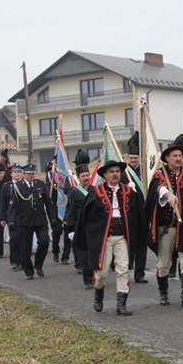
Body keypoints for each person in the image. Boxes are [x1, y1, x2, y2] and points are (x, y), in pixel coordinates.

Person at [73, 159, 146, 315]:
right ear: (105, 175)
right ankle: (98, 295)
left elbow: (139, 215)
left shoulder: (129, 192)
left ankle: (121, 305)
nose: (115, 174)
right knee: (102, 273)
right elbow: (85, 217)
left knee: (122, 270)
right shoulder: (95, 192)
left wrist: (141, 235)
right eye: (111, 172)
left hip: (122, 237)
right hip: (103, 239)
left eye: (117, 171)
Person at [146, 134, 183, 308]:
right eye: (175, 156)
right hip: (167, 228)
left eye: (180, 156)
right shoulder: (159, 176)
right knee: (164, 263)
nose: (179, 159)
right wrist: (166, 194)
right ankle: (163, 294)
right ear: (167, 159)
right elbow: (155, 191)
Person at [7, 163, 59, 280]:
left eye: (33, 174)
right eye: (29, 174)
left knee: (44, 242)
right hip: (24, 222)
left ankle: (38, 264)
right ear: (24, 174)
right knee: (25, 248)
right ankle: (28, 271)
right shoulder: (17, 187)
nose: (31, 176)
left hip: (40, 220)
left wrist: (53, 219)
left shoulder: (40, 185)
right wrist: (11, 221)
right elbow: (13, 206)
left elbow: (48, 203)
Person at [63, 163, 93, 289]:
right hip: (81, 227)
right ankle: (87, 280)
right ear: (79, 178)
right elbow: (70, 211)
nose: (86, 178)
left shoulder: (95, 190)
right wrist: (70, 229)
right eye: (83, 176)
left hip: (94, 226)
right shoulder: (74, 192)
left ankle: (96, 276)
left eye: (87, 175)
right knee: (85, 256)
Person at [125, 132, 149, 284]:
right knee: (128, 245)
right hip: (128, 214)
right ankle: (126, 270)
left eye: (135, 158)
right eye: (131, 158)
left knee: (142, 244)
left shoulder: (146, 172)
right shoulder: (123, 173)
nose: (133, 161)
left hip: (143, 212)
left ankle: (139, 273)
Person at [45, 159, 71, 265]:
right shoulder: (50, 175)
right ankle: (55, 251)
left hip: (67, 206)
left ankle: (65, 256)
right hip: (55, 206)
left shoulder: (68, 175)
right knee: (57, 231)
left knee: (68, 232)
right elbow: (49, 190)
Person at [0, 163, 23, 270]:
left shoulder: (25, 184)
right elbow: (3, 203)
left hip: (24, 216)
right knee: (14, 239)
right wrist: (2, 218)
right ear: (11, 174)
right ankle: (15, 261)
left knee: (24, 240)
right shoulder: (6, 186)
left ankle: (24, 260)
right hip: (12, 216)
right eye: (15, 172)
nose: (17, 174)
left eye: (19, 172)